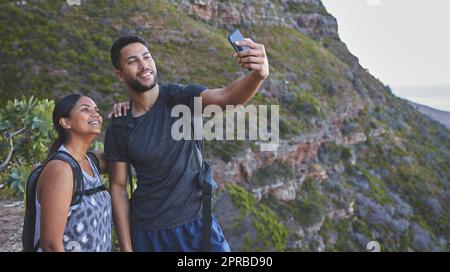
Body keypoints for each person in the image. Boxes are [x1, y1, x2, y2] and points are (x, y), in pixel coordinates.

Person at [105, 35, 269, 252]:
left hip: (197, 225)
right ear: (120, 74)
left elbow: (226, 97)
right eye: (133, 61)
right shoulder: (120, 125)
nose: (143, 65)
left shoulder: (180, 98)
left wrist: (259, 74)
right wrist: (126, 248)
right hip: (148, 232)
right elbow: (117, 187)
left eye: (147, 57)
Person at [35, 94, 111, 252]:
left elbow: (125, 157)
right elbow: (50, 244)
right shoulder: (61, 169)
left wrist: (127, 111)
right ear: (66, 122)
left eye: (96, 110)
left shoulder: (91, 161)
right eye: (85, 109)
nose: (95, 114)